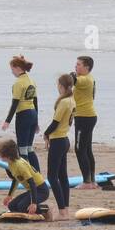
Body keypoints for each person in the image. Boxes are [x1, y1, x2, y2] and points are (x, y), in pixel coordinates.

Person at [42, 73, 75, 219]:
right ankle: (65, 209)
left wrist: (46, 134)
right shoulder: (72, 100)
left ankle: (62, 210)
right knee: (63, 176)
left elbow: (55, 123)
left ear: (61, 86)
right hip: (65, 139)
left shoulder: (64, 102)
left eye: (58, 85)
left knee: (52, 176)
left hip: (58, 141)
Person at [0, 55, 39, 171]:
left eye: (12, 69)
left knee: (22, 150)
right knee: (29, 148)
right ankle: (38, 174)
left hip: (24, 116)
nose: (12, 72)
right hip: (33, 114)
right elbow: (35, 101)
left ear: (17, 68)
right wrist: (36, 122)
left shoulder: (19, 83)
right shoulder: (31, 80)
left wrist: (7, 121)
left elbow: (15, 103)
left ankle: (28, 178)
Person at [0, 139, 49, 217]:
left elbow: (32, 183)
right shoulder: (11, 164)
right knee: (12, 206)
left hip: (41, 191)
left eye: (1, 155)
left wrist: (33, 203)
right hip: (32, 191)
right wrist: (9, 195)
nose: (0, 158)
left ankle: (45, 209)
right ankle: (31, 207)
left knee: (22, 206)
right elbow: (15, 180)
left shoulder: (20, 165)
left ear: (8, 155)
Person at [71, 56, 98, 188]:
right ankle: (91, 181)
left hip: (84, 118)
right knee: (87, 149)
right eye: (76, 64)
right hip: (88, 116)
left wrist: (72, 76)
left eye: (78, 65)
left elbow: (73, 80)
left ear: (86, 67)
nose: (76, 66)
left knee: (79, 149)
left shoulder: (84, 79)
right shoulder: (89, 78)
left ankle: (87, 182)